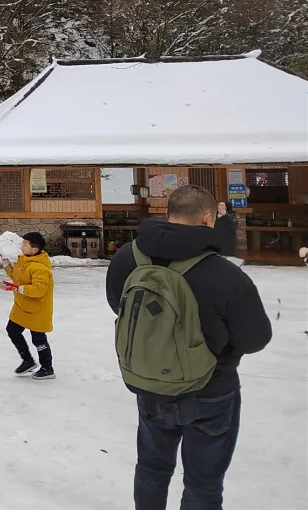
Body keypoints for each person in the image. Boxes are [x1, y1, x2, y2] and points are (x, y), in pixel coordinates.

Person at [105, 184, 272, 510]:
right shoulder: (225, 274)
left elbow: (118, 305)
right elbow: (256, 338)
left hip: (150, 383)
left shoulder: (128, 257)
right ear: (208, 218)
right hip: (211, 389)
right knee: (203, 483)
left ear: (168, 214)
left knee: (151, 469)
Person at [0, 232, 55, 380]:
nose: (21, 245)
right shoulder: (23, 260)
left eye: (25, 244)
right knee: (12, 330)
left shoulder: (40, 268)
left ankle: (47, 368)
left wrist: (17, 288)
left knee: (39, 340)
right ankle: (28, 361)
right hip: (22, 306)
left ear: (34, 249)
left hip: (37, 310)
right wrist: (6, 262)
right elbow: (16, 277)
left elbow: (38, 290)